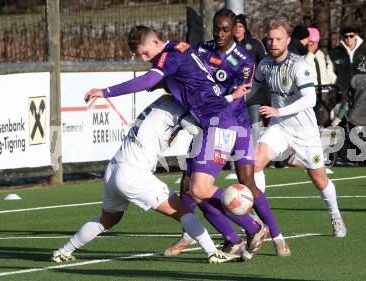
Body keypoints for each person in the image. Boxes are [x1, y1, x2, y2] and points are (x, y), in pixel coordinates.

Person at [83, 25, 268, 259]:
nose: (143, 58)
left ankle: (254, 226)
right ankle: (233, 239)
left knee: (199, 189)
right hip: (212, 122)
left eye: (143, 53)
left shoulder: (170, 55)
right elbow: (188, 82)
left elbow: (148, 79)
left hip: (219, 123)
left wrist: (105, 91)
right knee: (193, 190)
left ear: (155, 43)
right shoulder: (178, 50)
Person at [52, 95, 241, 264]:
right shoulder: (177, 108)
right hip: (133, 174)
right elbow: (201, 129)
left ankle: (63, 251)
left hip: (114, 168)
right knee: (184, 212)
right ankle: (212, 252)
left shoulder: (162, 101)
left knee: (107, 221)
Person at [164, 9, 290, 258]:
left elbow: (234, 99)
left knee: (247, 182)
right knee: (189, 185)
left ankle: (276, 235)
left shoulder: (244, 60)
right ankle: (199, 235)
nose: (220, 34)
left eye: (225, 30)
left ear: (235, 30)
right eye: (216, 29)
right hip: (206, 125)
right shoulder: (202, 50)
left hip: (235, 124)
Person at [233, 20, 347, 238]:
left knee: (319, 179)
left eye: (278, 39)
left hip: (304, 132)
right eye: (270, 39)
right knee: (254, 164)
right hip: (279, 127)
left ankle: (335, 214)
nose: (273, 43)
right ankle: (257, 217)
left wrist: (279, 111)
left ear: (287, 41)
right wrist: (234, 99)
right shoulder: (265, 64)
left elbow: (310, 99)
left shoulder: (299, 65)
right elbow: (253, 88)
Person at [233, 14, 268, 144]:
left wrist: (256, 80)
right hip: (234, 94)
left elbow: (265, 64)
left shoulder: (255, 44)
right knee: (235, 127)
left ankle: (254, 157)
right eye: (234, 26)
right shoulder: (227, 45)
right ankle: (234, 160)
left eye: (240, 26)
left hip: (253, 95)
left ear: (245, 28)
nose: (237, 29)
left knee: (254, 126)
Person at [304, 27, 337, 126]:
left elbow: (327, 69)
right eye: (308, 42)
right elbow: (304, 68)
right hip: (311, 90)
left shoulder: (321, 54)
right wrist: (309, 53)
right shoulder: (304, 55)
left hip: (324, 90)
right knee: (313, 116)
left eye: (313, 42)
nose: (310, 44)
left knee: (323, 115)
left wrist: (332, 81)